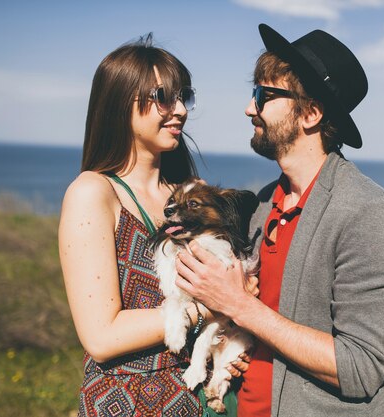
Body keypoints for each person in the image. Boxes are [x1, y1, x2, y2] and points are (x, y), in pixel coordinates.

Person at [175, 24, 384, 417]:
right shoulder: (258, 206)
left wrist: (239, 305)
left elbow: (361, 367)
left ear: (310, 113)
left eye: (263, 95)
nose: (249, 107)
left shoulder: (370, 214)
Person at [59, 34, 251, 417]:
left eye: (185, 96)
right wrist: (211, 308)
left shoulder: (183, 196)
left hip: (204, 401)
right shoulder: (93, 193)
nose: (179, 109)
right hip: (127, 402)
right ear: (118, 102)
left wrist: (230, 348)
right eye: (163, 96)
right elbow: (101, 336)